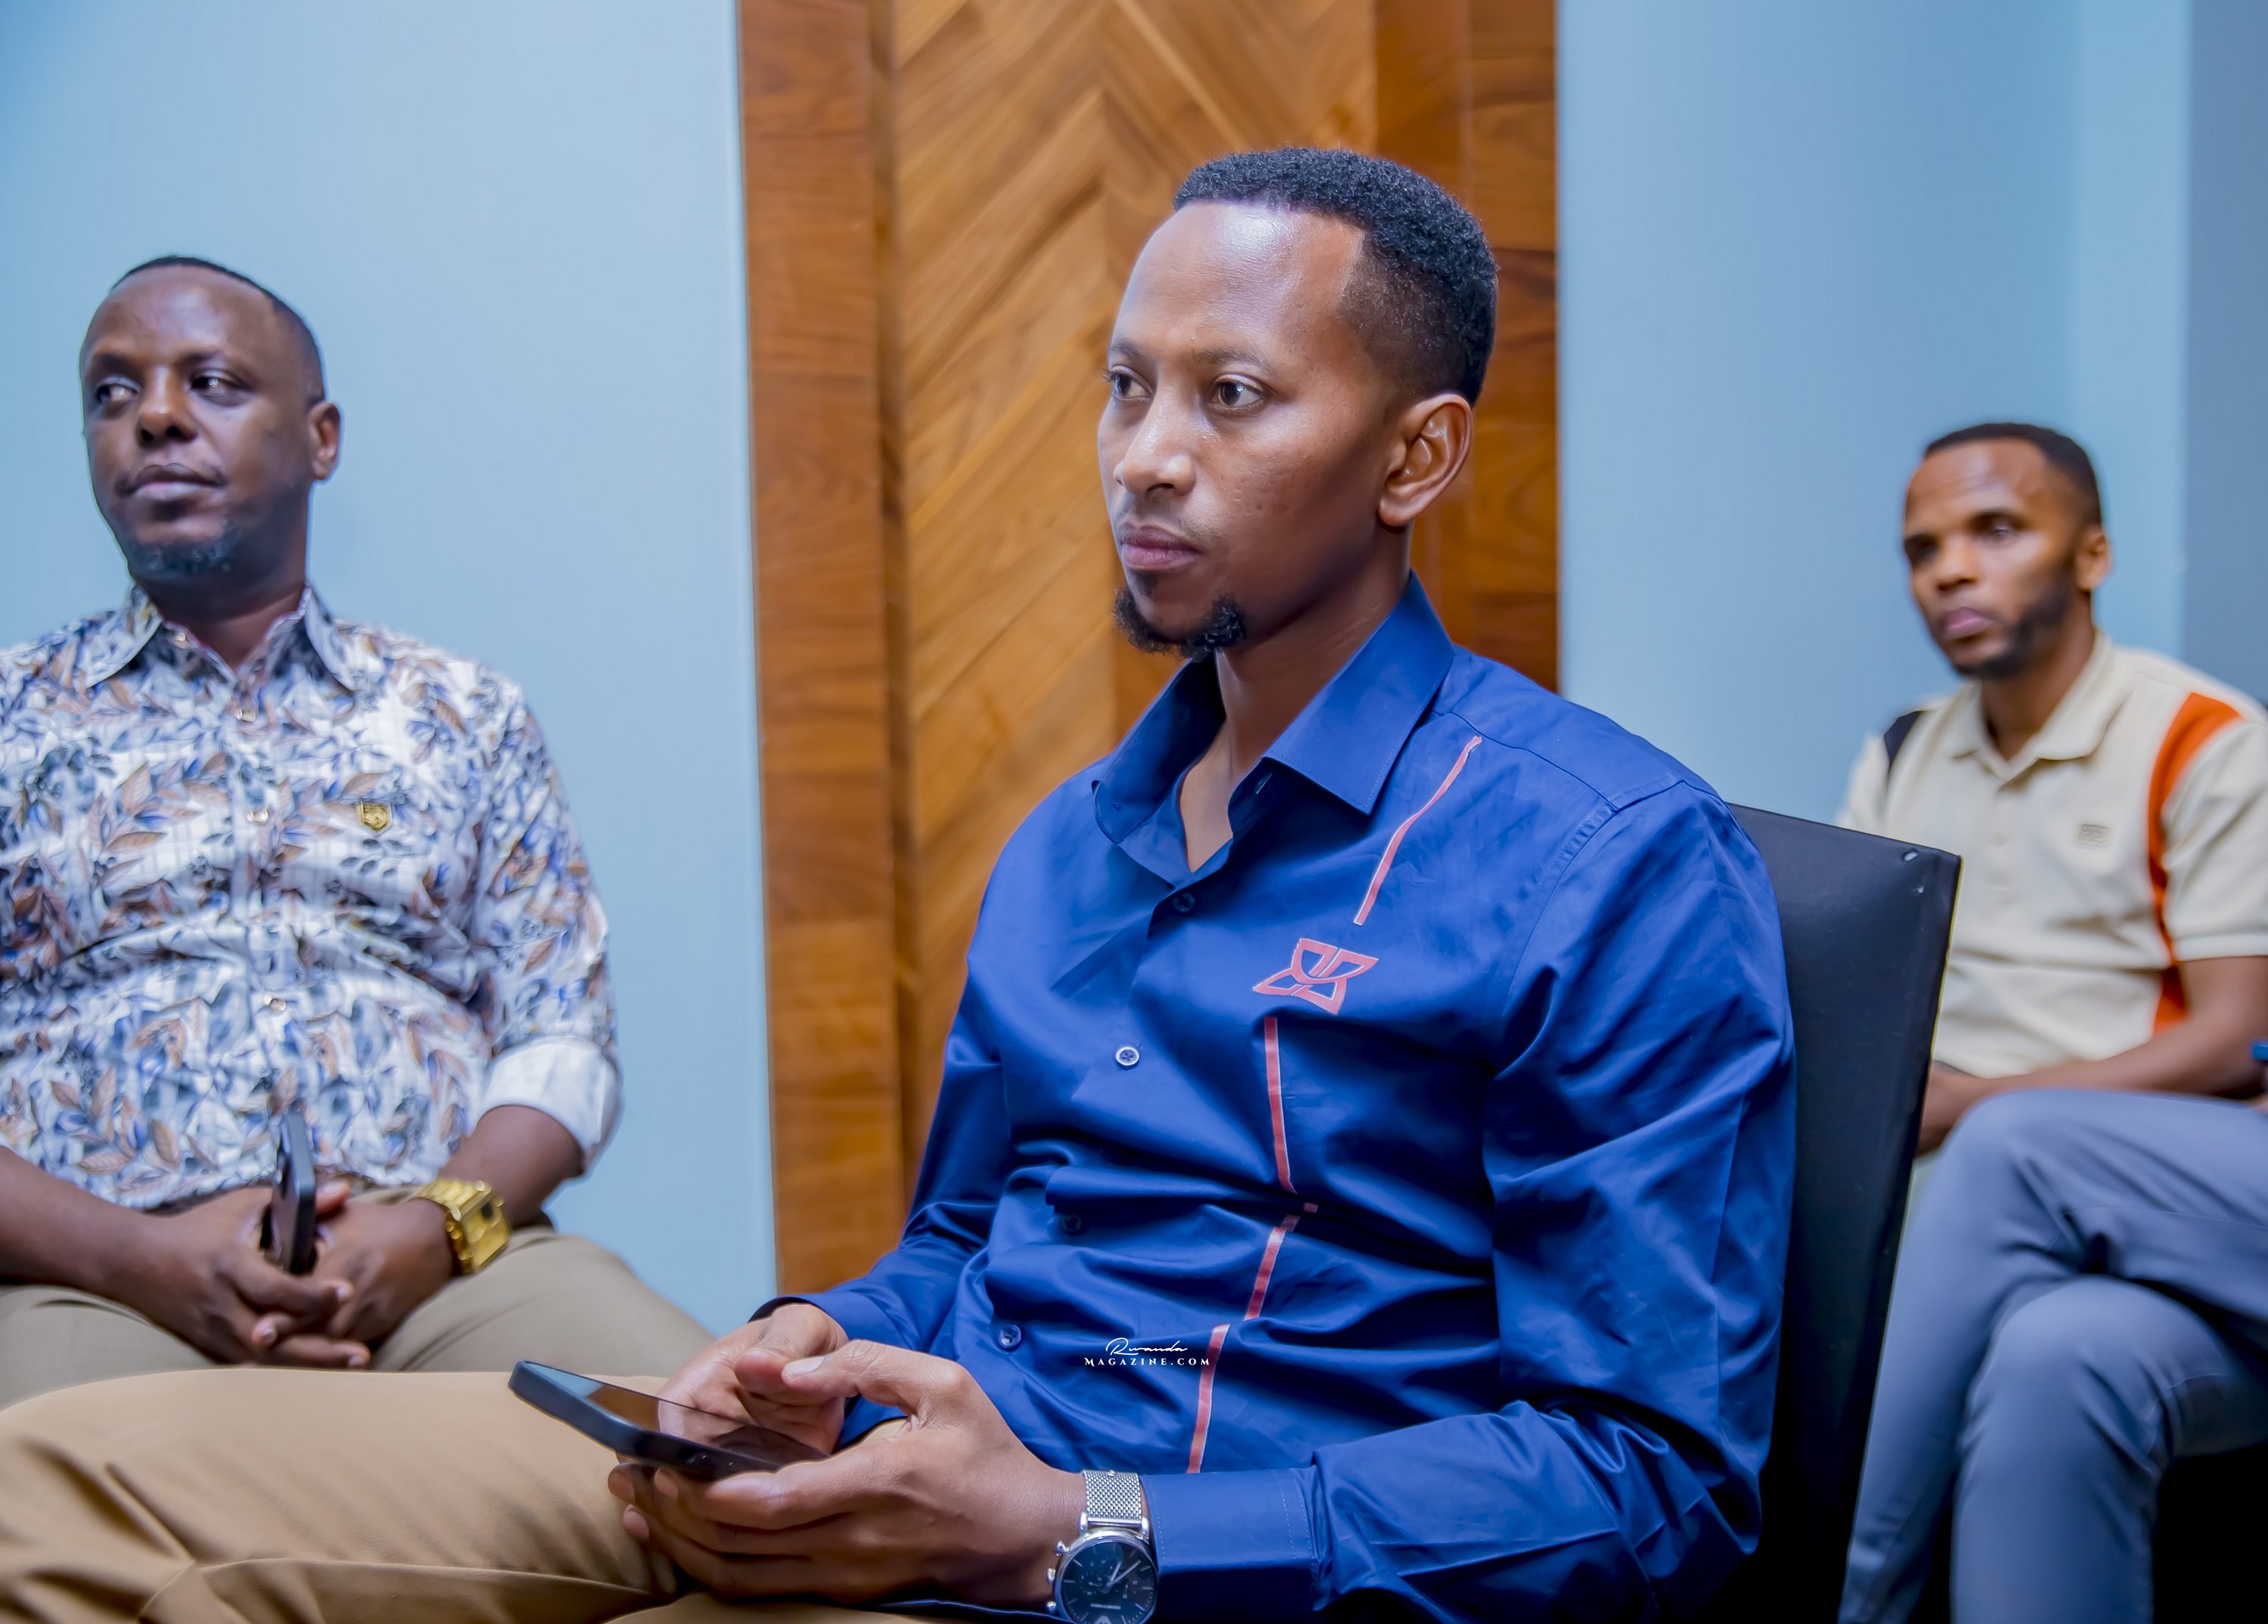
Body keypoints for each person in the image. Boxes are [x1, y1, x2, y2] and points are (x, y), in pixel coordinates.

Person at [0, 153, 1794, 1624]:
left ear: (1417, 457)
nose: (1146, 454)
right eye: (1126, 387)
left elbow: (1654, 1485)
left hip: (1141, 1567)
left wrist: (1073, 1531)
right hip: (900, 1494)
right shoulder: (1080, 840)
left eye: (1231, 397)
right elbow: (963, 1247)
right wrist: (820, 1339)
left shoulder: (1607, 859)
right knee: (51, 1499)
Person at [0, 258, 710, 1410]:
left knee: (712, 1440)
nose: (156, 416)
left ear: (320, 438)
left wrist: (433, 1230)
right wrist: (138, 1259)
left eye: (212, 383)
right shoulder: (13, 719)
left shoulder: (465, 717)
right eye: (112, 393)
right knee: (35, 1481)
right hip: (91, 1278)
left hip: (443, 1267)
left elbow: (563, 1046)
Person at [1838, 425, 2268, 1622]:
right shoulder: (1905, 749)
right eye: (1923, 549)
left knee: (2012, 1146)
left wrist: (1971, 1104)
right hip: (1985, 1219)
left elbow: (2240, 1036)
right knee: (2061, 1358)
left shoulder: (2201, 740)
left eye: (1996, 531)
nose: (1951, 571)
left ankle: (1839, 1594)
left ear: (2092, 555)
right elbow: (1863, 999)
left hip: (2121, 1167)